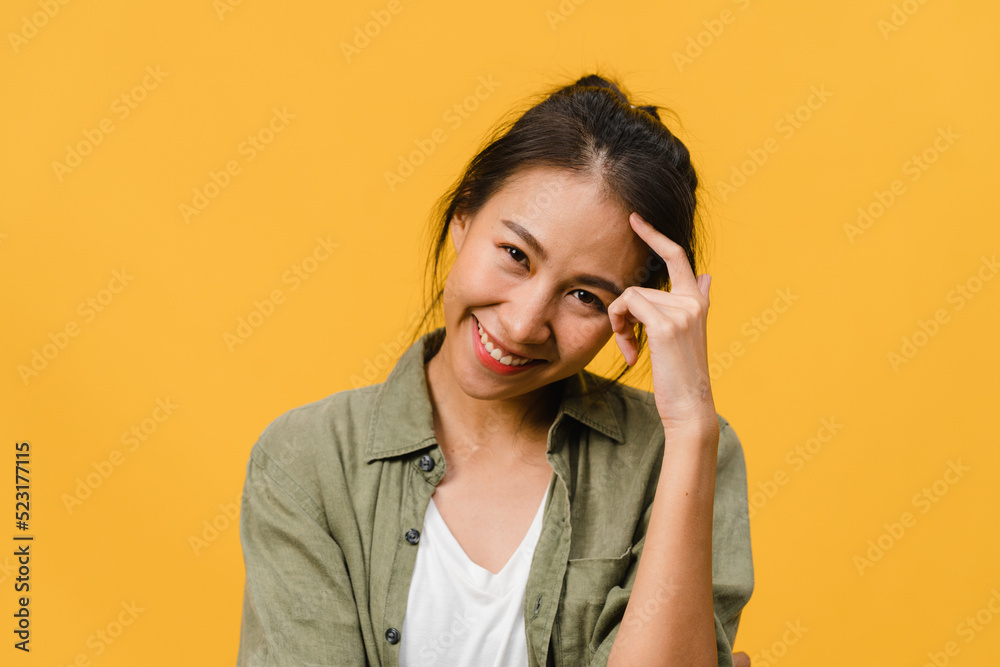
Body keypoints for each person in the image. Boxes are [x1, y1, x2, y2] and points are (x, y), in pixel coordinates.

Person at [236, 73, 754, 667]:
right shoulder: (308, 461)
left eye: (585, 296)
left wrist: (690, 423)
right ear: (463, 217)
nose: (523, 323)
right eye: (515, 255)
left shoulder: (674, 456)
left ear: (631, 314)